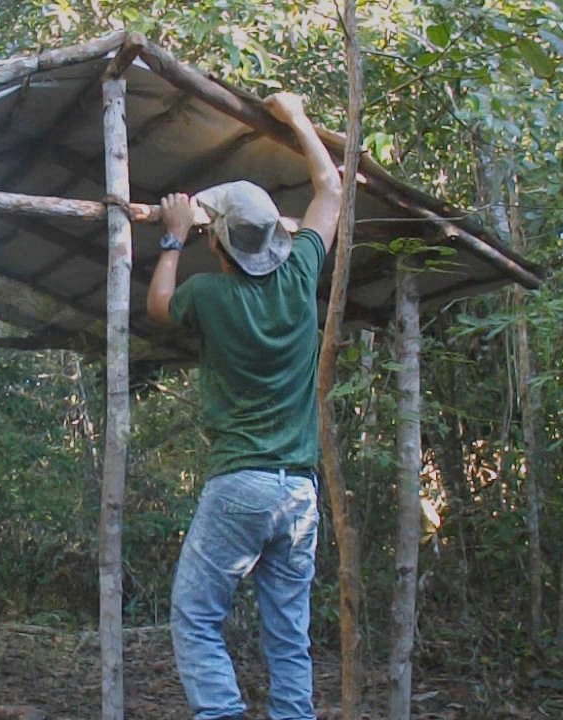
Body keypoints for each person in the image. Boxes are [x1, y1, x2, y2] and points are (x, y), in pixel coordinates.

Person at [144, 92, 342, 720]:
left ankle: (222, 714)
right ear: (274, 243)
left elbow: (156, 307)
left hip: (242, 483)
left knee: (196, 615)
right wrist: (297, 117)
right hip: (300, 494)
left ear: (218, 247)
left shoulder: (208, 295)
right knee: (288, 633)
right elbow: (330, 190)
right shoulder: (302, 272)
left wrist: (173, 240)